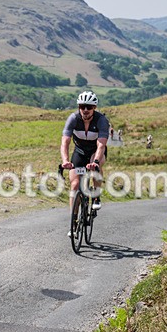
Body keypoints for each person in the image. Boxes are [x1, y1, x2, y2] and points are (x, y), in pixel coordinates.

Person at [61, 91, 109, 235]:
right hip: (80, 152)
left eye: (89, 107)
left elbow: (101, 145)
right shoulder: (73, 119)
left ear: (94, 108)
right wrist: (65, 161)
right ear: (79, 107)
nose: (86, 110)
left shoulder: (101, 121)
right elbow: (65, 143)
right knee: (75, 185)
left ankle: (95, 195)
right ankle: (74, 221)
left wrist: (95, 161)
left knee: (96, 167)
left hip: (96, 150)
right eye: (82, 106)